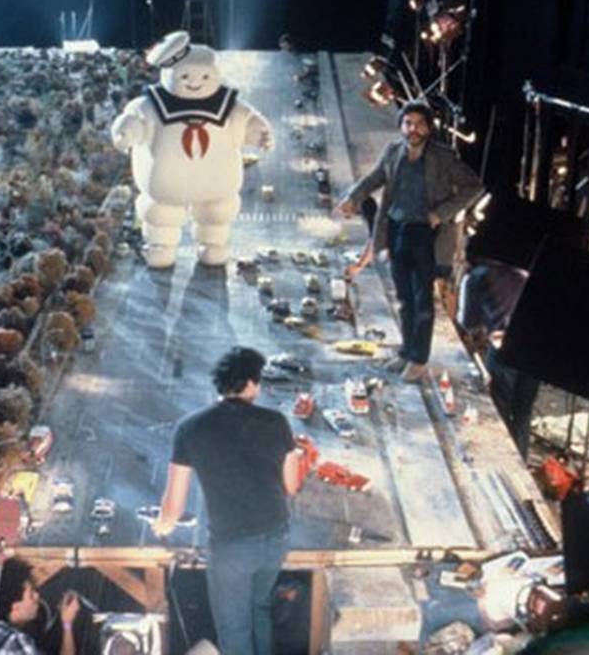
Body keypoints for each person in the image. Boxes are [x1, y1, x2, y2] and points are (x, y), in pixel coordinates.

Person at [153, 347, 303, 655]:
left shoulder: (189, 428)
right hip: (276, 537)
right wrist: (293, 457)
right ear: (251, 384)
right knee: (259, 608)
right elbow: (291, 486)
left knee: (234, 629)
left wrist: (163, 526)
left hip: (232, 548)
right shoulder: (277, 422)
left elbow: (174, 506)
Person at [336, 101, 481, 382]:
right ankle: (406, 351)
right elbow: (373, 179)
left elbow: (474, 186)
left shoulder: (443, 157)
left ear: (428, 128)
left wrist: (441, 213)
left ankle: (419, 359)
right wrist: (352, 198)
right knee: (404, 298)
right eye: (408, 123)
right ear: (401, 126)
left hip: (426, 235)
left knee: (422, 299)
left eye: (419, 124)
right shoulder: (393, 152)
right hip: (397, 230)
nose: (413, 129)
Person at [457, 258, 538, 458]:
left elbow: (468, 323)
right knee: (523, 413)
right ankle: (520, 461)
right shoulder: (523, 270)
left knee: (499, 411)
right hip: (534, 348)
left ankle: (502, 460)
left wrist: (487, 325)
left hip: (505, 348)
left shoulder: (476, 277)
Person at [0, 561, 80, 655]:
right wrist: (67, 624)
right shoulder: (17, 641)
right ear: (15, 607)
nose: (37, 596)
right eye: (31, 594)